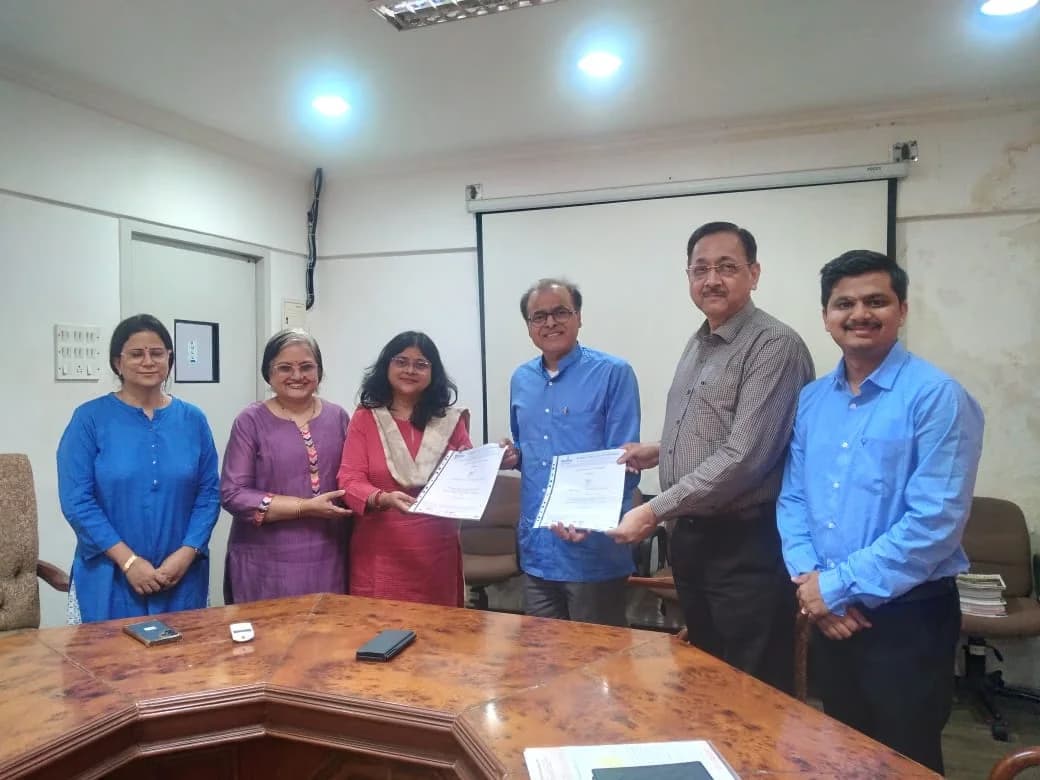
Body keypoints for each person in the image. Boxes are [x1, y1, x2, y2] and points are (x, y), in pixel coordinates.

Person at [776, 250, 983, 774]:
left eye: (876, 301)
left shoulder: (937, 397)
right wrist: (812, 585)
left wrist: (833, 588)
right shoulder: (812, 400)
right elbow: (793, 498)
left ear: (902, 309)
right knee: (841, 748)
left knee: (904, 757)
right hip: (827, 611)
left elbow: (934, 523)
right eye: (844, 303)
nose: (859, 314)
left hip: (907, 616)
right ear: (826, 317)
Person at [604, 221, 814, 692]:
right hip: (695, 542)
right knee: (705, 675)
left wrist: (653, 510)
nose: (711, 280)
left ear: (754, 273)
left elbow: (746, 456)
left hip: (745, 546)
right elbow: (718, 430)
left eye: (727, 267)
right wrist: (661, 451)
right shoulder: (700, 340)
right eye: (700, 269)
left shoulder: (773, 345)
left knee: (752, 686)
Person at [57, 314, 220, 623]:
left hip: (181, 575)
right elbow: (78, 501)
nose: (148, 361)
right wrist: (129, 562)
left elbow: (209, 495)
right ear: (118, 362)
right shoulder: (89, 420)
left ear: (169, 359)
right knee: (107, 666)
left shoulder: (193, 420)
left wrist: (187, 553)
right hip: (110, 575)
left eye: (157, 353)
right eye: (136, 354)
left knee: (184, 665)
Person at [499, 278, 640, 627]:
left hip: (592, 551)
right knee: (542, 661)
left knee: (596, 666)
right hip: (537, 546)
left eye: (561, 312)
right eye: (539, 316)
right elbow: (528, 452)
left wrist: (589, 518)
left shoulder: (613, 373)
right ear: (529, 327)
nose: (550, 323)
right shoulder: (520, 379)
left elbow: (627, 460)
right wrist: (511, 455)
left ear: (579, 317)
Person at [337, 331, 471, 607]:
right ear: (387, 366)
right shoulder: (365, 419)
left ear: (433, 373)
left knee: (438, 639)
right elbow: (349, 480)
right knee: (380, 639)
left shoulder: (449, 422)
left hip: (436, 553)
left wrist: (495, 460)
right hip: (381, 553)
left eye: (421, 364)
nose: (410, 370)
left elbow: (469, 475)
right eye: (401, 361)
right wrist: (381, 498)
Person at [220, 329, 351, 603]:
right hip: (264, 562)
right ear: (268, 373)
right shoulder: (250, 421)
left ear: (319, 372)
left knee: (327, 638)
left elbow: (351, 478)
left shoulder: (337, 417)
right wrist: (304, 507)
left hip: (328, 556)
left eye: (306, 367)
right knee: (269, 641)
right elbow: (234, 494)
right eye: (284, 368)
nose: (297, 376)